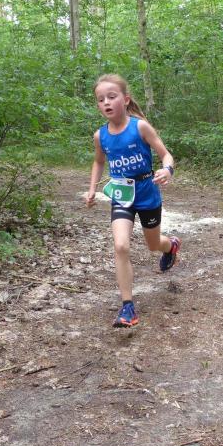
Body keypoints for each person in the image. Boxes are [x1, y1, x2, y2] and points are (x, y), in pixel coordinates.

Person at [85, 74, 181, 328]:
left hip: (147, 193)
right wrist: (92, 188)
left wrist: (167, 170)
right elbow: (98, 162)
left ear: (125, 100)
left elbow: (166, 154)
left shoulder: (140, 127)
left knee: (153, 244)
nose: (106, 102)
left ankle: (170, 246)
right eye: (101, 99)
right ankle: (127, 307)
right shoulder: (100, 136)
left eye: (111, 97)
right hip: (121, 195)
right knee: (121, 246)